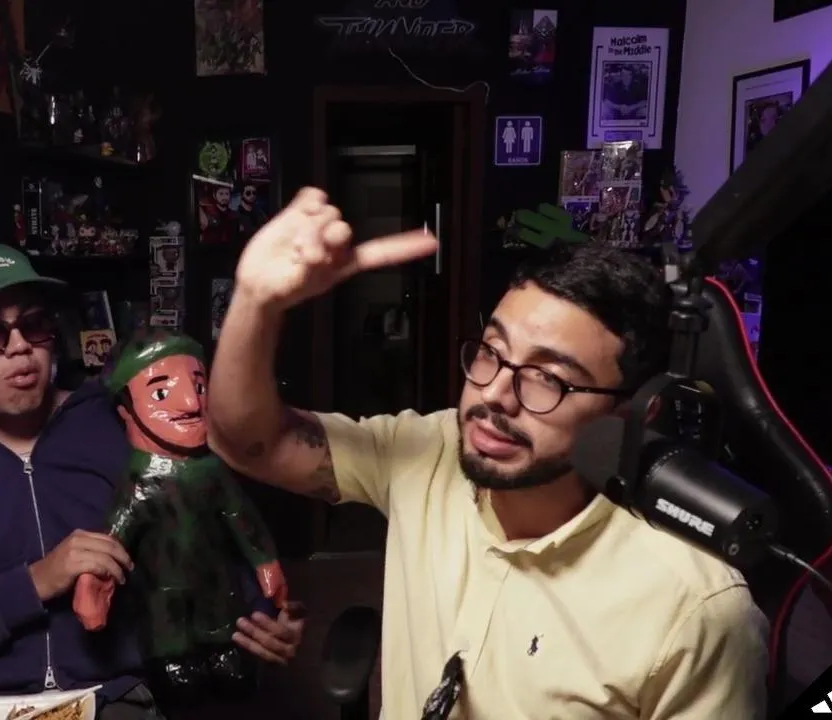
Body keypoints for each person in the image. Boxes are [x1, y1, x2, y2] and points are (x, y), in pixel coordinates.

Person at [206, 189, 769, 719]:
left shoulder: (696, 610)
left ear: (635, 413)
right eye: (491, 352)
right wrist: (256, 301)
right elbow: (251, 443)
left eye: (548, 378)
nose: (494, 394)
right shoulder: (427, 451)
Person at [0, 244, 305, 718]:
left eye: (34, 324)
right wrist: (32, 584)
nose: (20, 347)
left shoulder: (120, 425)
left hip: (117, 701)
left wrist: (263, 613)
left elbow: (206, 537)